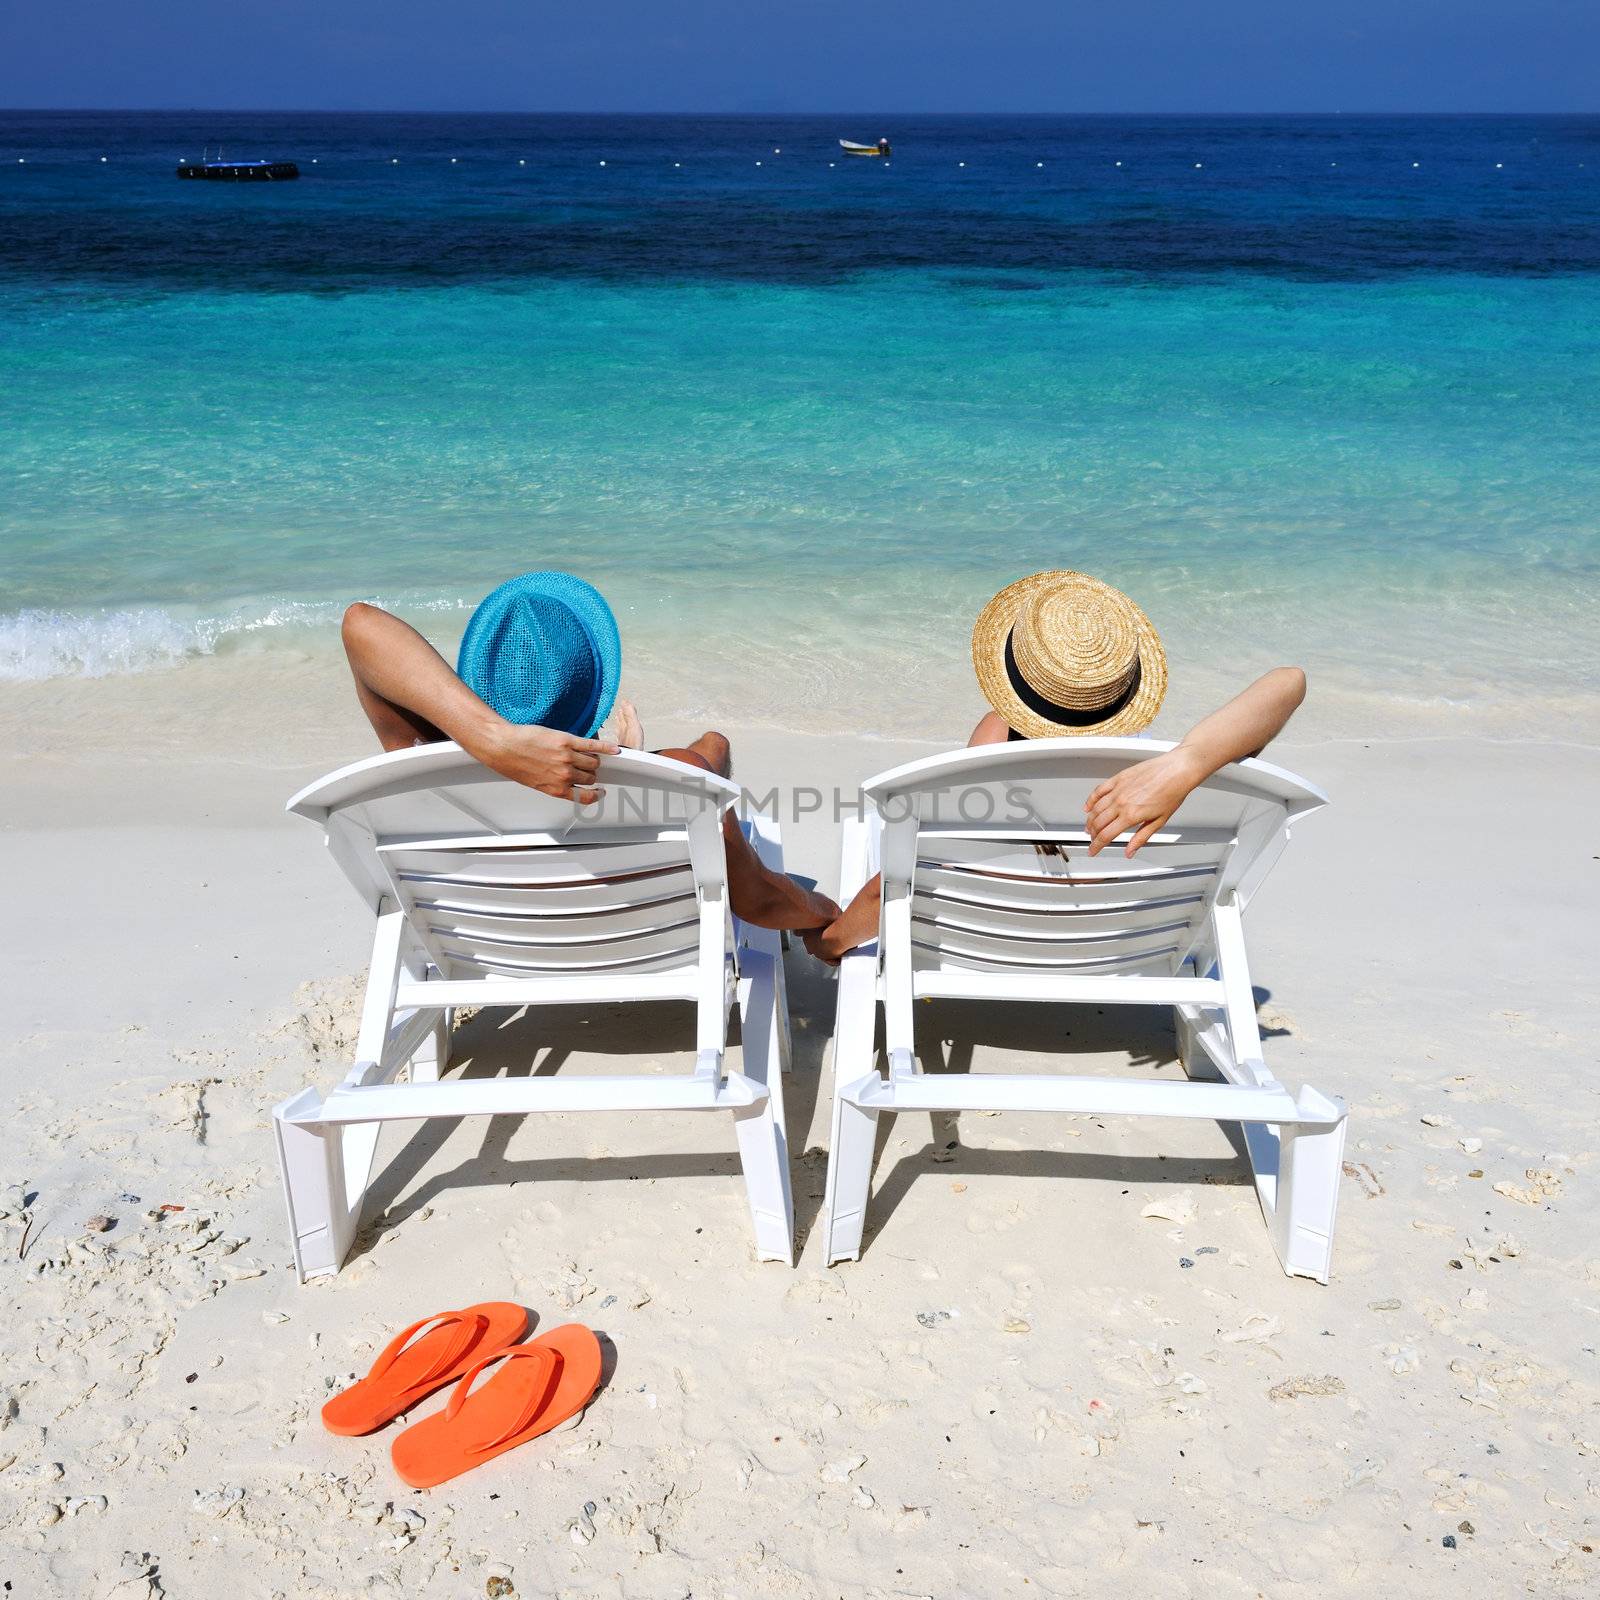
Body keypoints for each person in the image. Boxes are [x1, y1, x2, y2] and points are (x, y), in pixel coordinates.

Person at [803, 569, 1306, 963]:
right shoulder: (1161, 781)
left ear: (1012, 677)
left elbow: (909, 877)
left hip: (987, 946)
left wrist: (828, 942)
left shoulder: (988, 753)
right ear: (1126, 689)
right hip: (1127, 949)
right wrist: (1187, 765)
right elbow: (1290, 681)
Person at [340, 571, 840, 936]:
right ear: (594, 686)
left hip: (497, 939)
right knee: (706, 754)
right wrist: (829, 918)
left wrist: (489, 738)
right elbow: (762, 903)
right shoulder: (675, 782)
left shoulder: (423, 771)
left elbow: (360, 624)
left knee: (702, 756)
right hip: (633, 937)